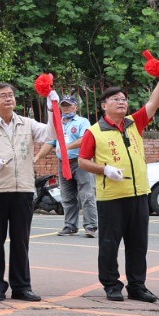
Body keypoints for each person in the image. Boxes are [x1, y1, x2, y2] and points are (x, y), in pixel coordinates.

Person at [75, 69, 159, 302]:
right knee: (109, 243)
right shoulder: (94, 132)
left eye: (124, 99)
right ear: (104, 106)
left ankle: (137, 285)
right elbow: (82, 161)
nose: (121, 102)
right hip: (111, 197)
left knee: (138, 244)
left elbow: (154, 102)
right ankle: (111, 284)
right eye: (115, 99)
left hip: (139, 193)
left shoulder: (133, 123)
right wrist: (104, 169)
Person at [0, 82, 56, 302]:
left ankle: (22, 286)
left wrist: (51, 107)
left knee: (20, 240)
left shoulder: (26, 123)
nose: (9, 99)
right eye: (3, 96)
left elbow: (50, 134)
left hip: (23, 189)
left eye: (11, 95)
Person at [55, 95, 97, 238]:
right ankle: (70, 226)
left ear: (76, 107)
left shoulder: (82, 121)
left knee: (87, 195)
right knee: (67, 197)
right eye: (64, 106)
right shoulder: (57, 123)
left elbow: (85, 138)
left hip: (80, 162)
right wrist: (36, 156)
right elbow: (51, 141)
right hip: (63, 164)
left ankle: (90, 226)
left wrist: (67, 147)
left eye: (69, 105)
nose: (66, 109)